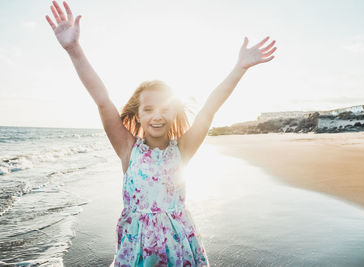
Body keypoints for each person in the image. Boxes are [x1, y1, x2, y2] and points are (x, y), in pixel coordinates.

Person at [45, 1, 277, 266]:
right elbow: (102, 101)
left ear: (174, 113)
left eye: (165, 108)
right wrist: (74, 50)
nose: (157, 115)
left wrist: (239, 68)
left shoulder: (183, 149)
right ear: (138, 115)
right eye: (149, 109)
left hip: (179, 248)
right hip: (137, 250)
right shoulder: (127, 148)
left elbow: (209, 110)